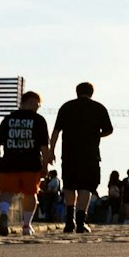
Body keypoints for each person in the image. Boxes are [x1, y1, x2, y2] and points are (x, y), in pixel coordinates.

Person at [50, 81, 114, 234]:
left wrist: (51, 150)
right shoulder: (98, 108)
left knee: (70, 185)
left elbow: (56, 131)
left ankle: (69, 221)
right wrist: (95, 135)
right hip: (90, 154)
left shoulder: (66, 107)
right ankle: (80, 222)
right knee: (86, 186)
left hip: (69, 153)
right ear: (92, 93)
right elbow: (109, 130)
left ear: (76, 92)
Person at [0, 90, 51, 236]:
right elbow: (44, 147)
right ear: (26, 102)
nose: (36, 107)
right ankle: (26, 225)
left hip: (9, 163)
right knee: (31, 193)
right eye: (35, 104)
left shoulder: (8, 119)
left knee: (6, 192)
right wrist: (45, 166)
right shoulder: (39, 120)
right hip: (31, 164)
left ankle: (4, 213)